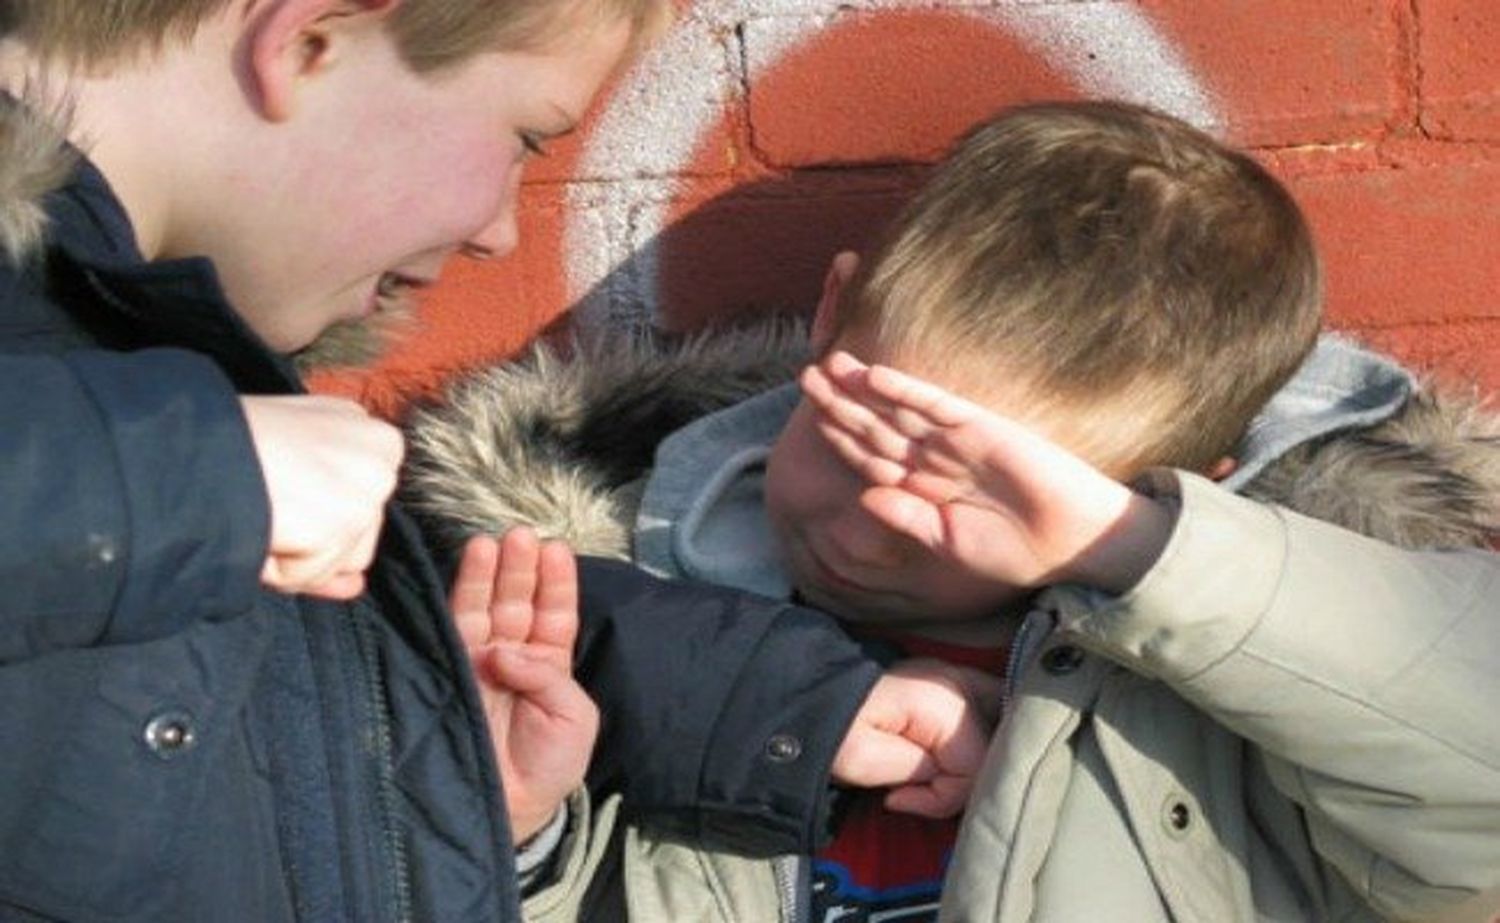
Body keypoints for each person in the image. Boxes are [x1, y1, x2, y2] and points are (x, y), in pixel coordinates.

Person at [0, 2, 1002, 920]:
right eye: (525, 137)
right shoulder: (169, 440)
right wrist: (198, 471)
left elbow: (383, 647)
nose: (499, 231)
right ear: (309, 40)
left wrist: (792, 706)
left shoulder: (150, 374)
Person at [406, 99, 1500, 921]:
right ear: (831, 317)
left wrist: (1135, 551)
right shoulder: (627, 610)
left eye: (970, 494)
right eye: (849, 436)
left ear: (1182, 483)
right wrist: (526, 847)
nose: (870, 521)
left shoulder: (1250, 702)